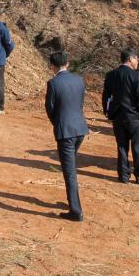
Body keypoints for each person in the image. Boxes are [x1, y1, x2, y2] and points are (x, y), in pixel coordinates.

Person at [44, 50, 89, 221]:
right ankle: (73, 202)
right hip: (80, 128)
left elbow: (50, 108)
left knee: (69, 171)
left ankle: (76, 210)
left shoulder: (53, 83)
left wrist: (57, 122)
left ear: (52, 66)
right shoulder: (79, 80)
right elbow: (80, 103)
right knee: (71, 166)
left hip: (65, 131)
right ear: (67, 64)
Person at [102, 49, 139, 184]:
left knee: (122, 147)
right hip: (135, 117)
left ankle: (123, 176)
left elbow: (106, 96)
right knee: (137, 147)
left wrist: (107, 112)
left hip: (118, 116)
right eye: (137, 59)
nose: (138, 62)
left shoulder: (111, 75)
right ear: (130, 59)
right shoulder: (136, 76)